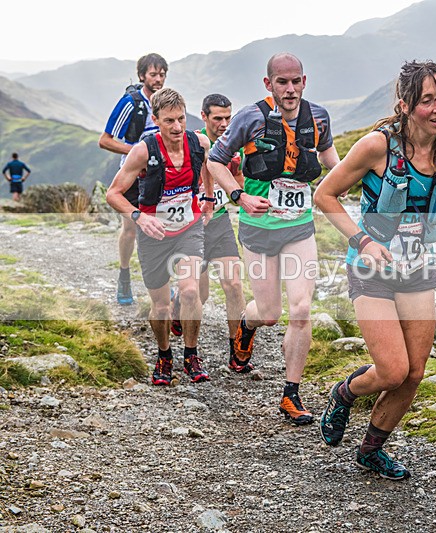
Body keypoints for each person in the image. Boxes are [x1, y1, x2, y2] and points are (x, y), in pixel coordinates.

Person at [314, 60, 436, 480]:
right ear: (405, 105)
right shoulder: (377, 147)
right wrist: (364, 241)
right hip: (370, 269)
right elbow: (326, 195)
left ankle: (372, 450)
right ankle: (344, 392)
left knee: (413, 372)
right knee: (391, 370)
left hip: (417, 269)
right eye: (427, 100)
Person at [208, 52, 340, 425]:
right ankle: (246, 328)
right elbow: (215, 162)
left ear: (304, 81)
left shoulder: (318, 118)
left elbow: (332, 159)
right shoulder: (250, 118)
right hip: (259, 229)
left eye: (296, 81)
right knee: (269, 314)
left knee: (300, 309)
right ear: (269, 84)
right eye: (282, 82)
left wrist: (344, 179)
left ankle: (291, 394)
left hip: (299, 226)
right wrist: (241, 196)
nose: (290, 89)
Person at [106, 87, 215, 386]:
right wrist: (139, 217)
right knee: (162, 306)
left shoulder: (198, 142)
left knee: (191, 291)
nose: (177, 127)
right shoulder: (143, 151)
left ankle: (191, 354)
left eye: (181, 119)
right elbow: (113, 193)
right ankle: (164, 354)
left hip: (189, 227)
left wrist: (208, 198)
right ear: (155, 120)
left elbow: (207, 167)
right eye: (169, 121)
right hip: (154, 233)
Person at [171, 94, 247, 372]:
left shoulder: (235, 144)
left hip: (220, 221)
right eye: (218, 118)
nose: (225, 124)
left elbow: (238, 186)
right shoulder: (192, 142)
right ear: (203, 116)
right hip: (192, 225)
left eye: (229, 118)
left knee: (234, 285)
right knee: (198, 295)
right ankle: (177, 302)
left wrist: (236, 174)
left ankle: (237, 353)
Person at [99, 53, 168, 306]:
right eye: (153, 74)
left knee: (162, 228)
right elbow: (105, 140)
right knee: (130, 228)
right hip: (131, 176)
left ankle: (162, 283)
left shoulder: (165, 102)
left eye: (162, 74)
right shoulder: (131, 103)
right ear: (142, 76)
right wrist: (138, 153)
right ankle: (124, 274)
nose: (158, 79)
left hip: (160, 175)